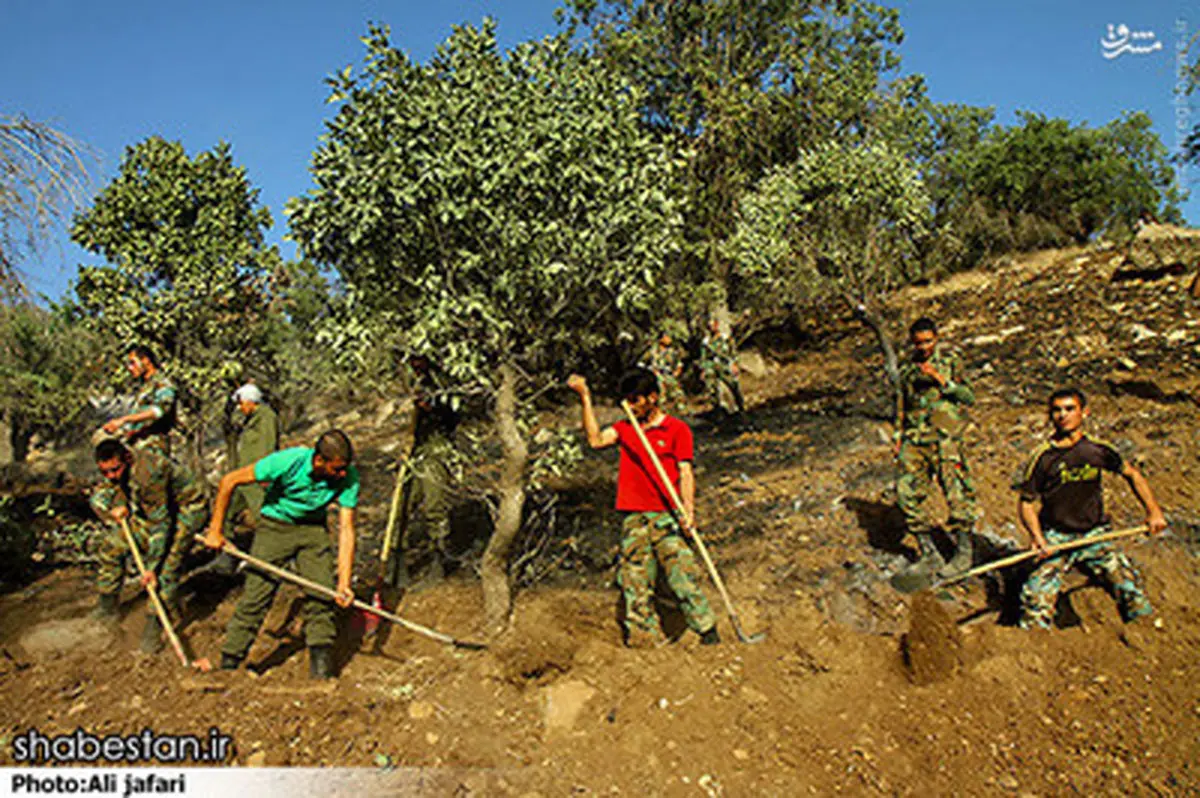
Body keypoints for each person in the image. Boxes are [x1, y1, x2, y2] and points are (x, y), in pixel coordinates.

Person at [567, 368, 719, 647]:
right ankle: (643, 638)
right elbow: (595, 440)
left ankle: (708, 632)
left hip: (667, 514)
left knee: (681, 574)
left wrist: (689, 511)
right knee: (634, 580)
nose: (630, 405)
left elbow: (685, 473)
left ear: (653, 397)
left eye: (635, 400)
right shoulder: (626, 428)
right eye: (626, 400)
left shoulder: (677, 430)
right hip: (634, 516)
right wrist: (585, 398)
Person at [203, 429, 360, 680]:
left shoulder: (348, 477)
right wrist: (215, 530)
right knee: (257, 594)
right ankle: (229, 665)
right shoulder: (286, 462)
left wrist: (343, 582)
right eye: (336, 469)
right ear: (319, 460)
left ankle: (321, 673)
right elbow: (229, 481)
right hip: (274, 527)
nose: (342, 475)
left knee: (322, 594)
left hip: (313, 529)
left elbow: (347, 530)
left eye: (344, 469)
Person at [1014, 388, 1167, 630]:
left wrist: (1154, 512)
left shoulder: (1098, 450)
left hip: (1095, 534)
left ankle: (1148, 637)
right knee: (1035, 601)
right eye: (1056, 410)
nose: (1062, 415)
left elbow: (1133, 475)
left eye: (1069, 409)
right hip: (1056, 537)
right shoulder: (1042, 457)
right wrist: (1037, 538)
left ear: (1084, 413)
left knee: (1130, 589)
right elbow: (1026, 503)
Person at [88, 438, 206, 653]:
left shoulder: (150, 472)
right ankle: (107, 609)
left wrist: (152, 566)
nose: (111, 476)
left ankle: (152, 632)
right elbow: (99, 495)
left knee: (165, 571)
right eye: (105, 472)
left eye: (115, 470)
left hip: (186, 510)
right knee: (112, 545)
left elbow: (160, 525)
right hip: (152, 511)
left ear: (127, 458)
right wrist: (109, 508)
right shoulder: (114, 468)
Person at [894, 317, 978, 578]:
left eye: (928, 341)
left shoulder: (951, 360)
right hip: (915, 438)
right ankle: (929, 554)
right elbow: (900, 401)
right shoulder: (906, 366)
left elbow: (969, 397)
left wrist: (942, 380)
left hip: (946, 439)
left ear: (937, 338)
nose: (923, 347)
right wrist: (898, 435)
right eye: (918, 342)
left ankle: (963, 554)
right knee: (905, 493)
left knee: (956, 495)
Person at [386, 355, 460, 586]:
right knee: (401, 507)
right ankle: (394, 567)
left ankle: (438, 564)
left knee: (435, 508)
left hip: (437, 452)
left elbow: (454, 416)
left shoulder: (445, 381)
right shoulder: (413, 380)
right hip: (414, 452)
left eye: (417, 359)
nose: (413, 365)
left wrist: (431, 407)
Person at [205, 383, 280, 576]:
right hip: (242, 477)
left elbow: (268, 445)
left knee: (264, 518)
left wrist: (266, 474)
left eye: (241, 403)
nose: (240, 408)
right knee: (227, 512)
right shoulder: (252, 420)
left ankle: (271, 560)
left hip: (256, 477)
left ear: (250, 401)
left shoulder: (267, 417)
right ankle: (227, 556)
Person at [101, 344, 177, 457]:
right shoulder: (144, 387)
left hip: (154, 449)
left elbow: (159, 411)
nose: (130, 368)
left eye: (132, 363)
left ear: (146, 361)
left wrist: (123, 420)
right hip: (139, 446)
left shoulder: (162, 383)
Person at [699, 319, 745, 416]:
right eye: (709, 325)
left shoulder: (725, 338)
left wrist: (735, 364)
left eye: (713, 325)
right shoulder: (706, 342)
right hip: (712, 365)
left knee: (732, 384)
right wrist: (703, 370)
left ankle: (740, 407)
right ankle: (718, 410)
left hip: (725, 364)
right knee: (711, 387)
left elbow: (733, 352)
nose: (711, 327)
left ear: (717, 325)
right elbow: (703, 357)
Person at [644, 331, 685, 415]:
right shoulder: (652, 351)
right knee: (661, 397)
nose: (669, 339)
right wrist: (650, 372)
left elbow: (679, 363)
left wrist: (677, 371)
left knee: (678, 394)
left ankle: (681, 414)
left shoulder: (672, 352)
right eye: (667, 337)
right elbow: (642, 363)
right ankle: (660, 414)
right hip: (656, 376)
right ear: (661, 339)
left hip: (668, 375)